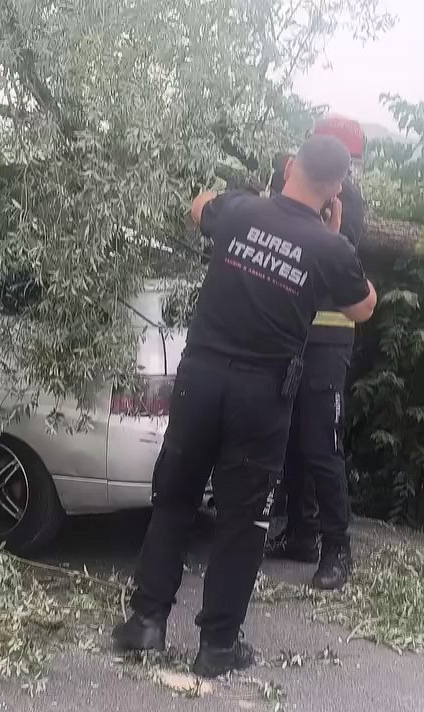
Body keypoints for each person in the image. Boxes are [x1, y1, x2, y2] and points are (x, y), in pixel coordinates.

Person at [112, 135, 377, 678]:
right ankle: (217, 646)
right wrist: (329, 236)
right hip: (263, 393)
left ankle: (145, 623)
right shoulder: (330, 248)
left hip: (201, 378)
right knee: (242, 517)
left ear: (288, 166)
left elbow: (195, 207)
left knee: (175, 499)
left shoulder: (239, 211)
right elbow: (363, 307)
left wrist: (250, 200)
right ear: (336, 190)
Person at [267, 152, 366, 590]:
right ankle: (302, 535)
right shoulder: (287, 194)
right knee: (289, 442)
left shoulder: (349, 200)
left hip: (328, 340)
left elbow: (341, 268)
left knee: (321, 447)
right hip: (291, 338)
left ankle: (337, 549)